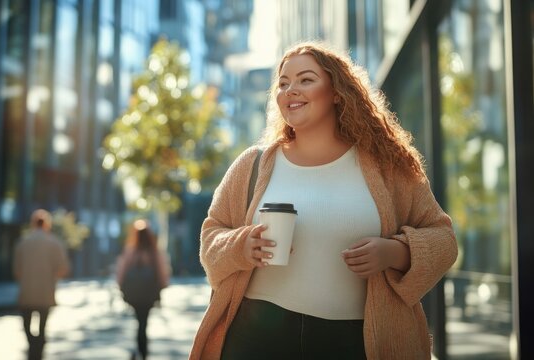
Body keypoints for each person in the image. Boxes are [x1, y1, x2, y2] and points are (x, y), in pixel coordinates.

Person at [189, 41, 458, 360]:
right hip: (257, 334)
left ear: (336, 92)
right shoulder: (254, 164)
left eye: (305, 80)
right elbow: (211, 236)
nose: (290, 90)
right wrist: (241, 246)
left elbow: (444, 240)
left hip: (352, 341)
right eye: (283, 83)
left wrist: (396, 252)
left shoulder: (388, 167)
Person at [13, 209, 71, 360]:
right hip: (46, 292)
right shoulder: (54, 243)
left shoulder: (23, 242)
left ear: (33, 223)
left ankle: (34, 345)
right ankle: (38, 347)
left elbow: (16, 270)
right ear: (47, 224)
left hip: (27, 292)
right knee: (42, 327)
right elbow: (63, 268)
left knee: (26, 325)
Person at [116, 219, 171, 360]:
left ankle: (140, 349)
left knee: (140, 321)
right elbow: (161, 272)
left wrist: (122, 287)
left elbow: (121, 272)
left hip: (134, 294)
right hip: (148, 295)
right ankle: (143, 350)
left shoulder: (131, 251)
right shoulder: (153, 252)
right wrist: (162, 287)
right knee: (143, 322)